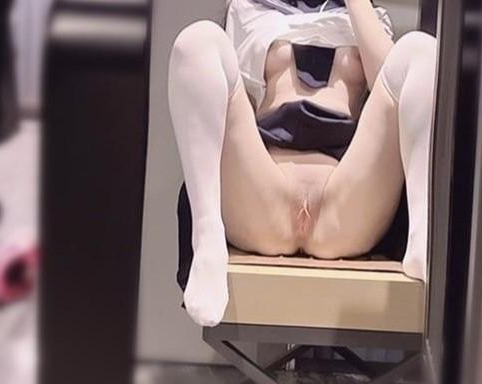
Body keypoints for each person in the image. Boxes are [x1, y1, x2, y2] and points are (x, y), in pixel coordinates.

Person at [168, 0, 437, 326]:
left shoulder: (370, 16)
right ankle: (207, 239)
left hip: (344, 205)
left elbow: (396, 87)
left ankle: (424, 241)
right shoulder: (248, 9)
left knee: (422, 49)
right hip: (264, 199)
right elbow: (225, 100)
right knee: (197, 40)